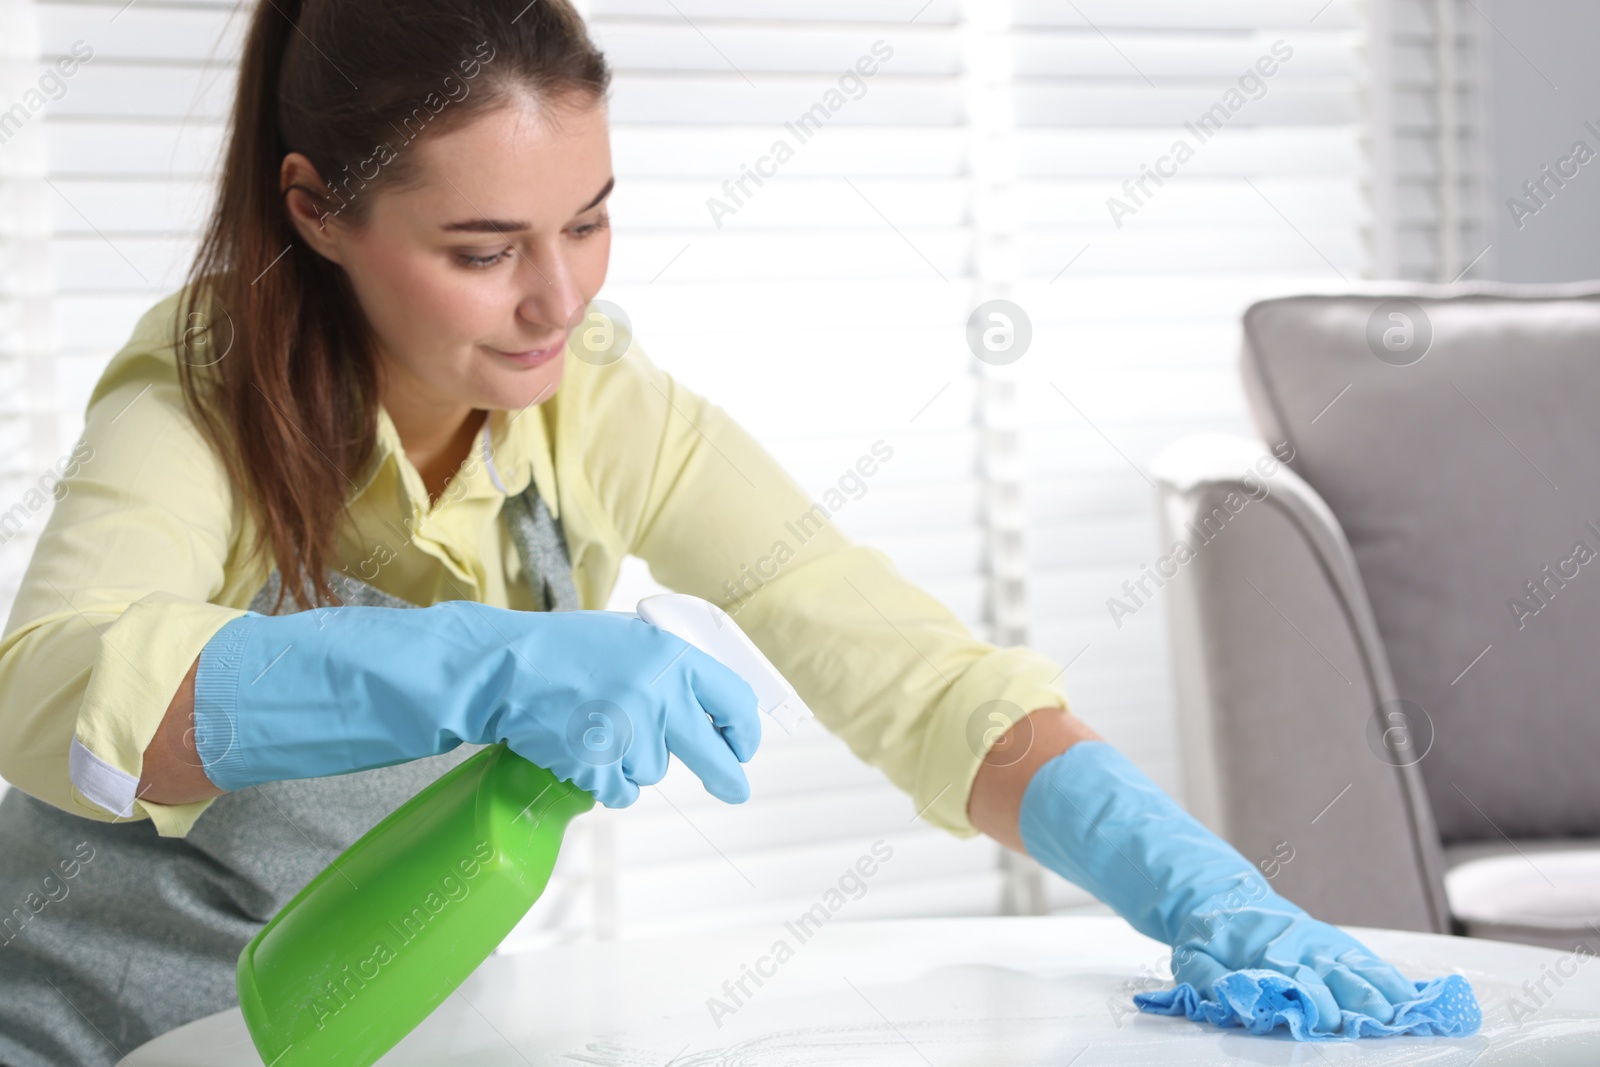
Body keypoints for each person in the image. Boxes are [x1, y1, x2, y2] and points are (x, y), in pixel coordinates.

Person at [0, 1, 1473, 1063]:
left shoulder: (604, 414)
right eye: (482, 249)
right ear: (318, 211)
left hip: (357, 1035)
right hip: (88, 1034)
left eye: (587, 220)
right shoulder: (210, 387)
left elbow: (919, 680)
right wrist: (473, 664)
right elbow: (56, 684)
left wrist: (1205, 889)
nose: (556, 300)